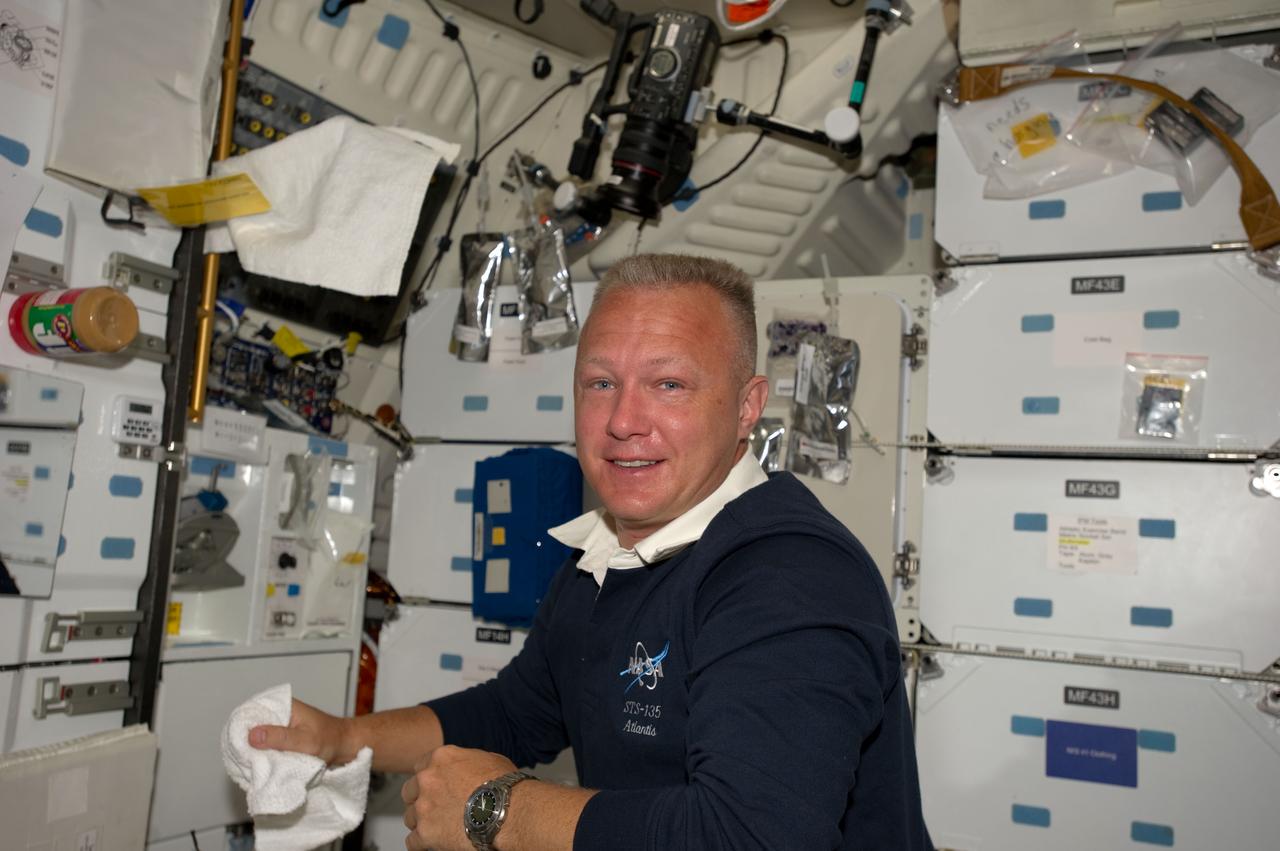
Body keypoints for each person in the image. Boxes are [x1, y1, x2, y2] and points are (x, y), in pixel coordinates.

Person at [250, 253, 931, 850]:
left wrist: (497, 810)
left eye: (669, 384)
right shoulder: (604, 557)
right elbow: (512, 713)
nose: (623, 421)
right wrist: (343, 738)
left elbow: (749, 834)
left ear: (749, 406)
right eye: (600, 383)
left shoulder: (789, 575)